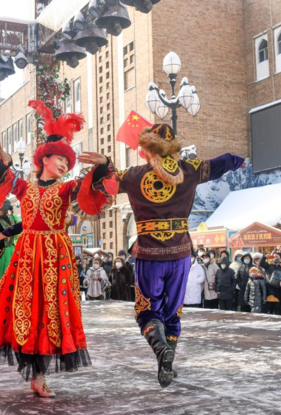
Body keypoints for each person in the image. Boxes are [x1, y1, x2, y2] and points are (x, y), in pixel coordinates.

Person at [0, 100, 115, 397]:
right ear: (45, 158)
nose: (64, 165)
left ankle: (40, 374)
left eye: (68, 163)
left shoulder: (66, 188)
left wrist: (103, 164)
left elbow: (94, 188)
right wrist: (5, 163)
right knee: (25, 309)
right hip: (26, 255)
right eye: (60, 159)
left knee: (51, 312)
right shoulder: (24, 187)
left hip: (54, 256)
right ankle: (34, 371)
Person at [112, 123, 245, 388]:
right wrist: (236, 161)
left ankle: (161, 349)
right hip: (181, 253)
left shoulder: (132, 175)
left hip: (149, 254)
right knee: (173, 313)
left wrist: (100, 169)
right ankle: (167, 364)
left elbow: (103, 184)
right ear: (174, 149)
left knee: (147, 311)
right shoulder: (189, 170)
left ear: (147, 149)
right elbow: (219, 163)